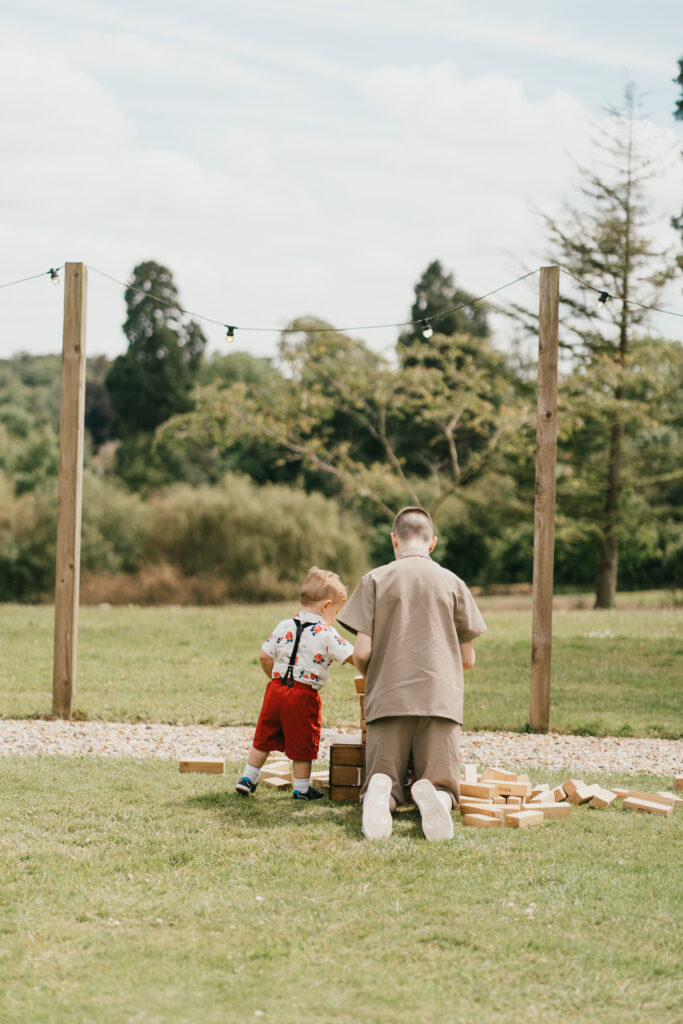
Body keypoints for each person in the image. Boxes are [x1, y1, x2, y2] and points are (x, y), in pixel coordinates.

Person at [337, 506, 486, 841]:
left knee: (385, 779)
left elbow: (361, 652)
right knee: (443, 782)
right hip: (440, 699)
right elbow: (468, 659)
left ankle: (382, 797)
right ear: (432, 543)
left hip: (389, 697)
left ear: (394, 540)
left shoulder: (374, 579)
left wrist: (374, 675)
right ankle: (438, 797)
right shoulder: (453, 582)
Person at [236, 567, 355, 801]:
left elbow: (263, 655)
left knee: (264, 736)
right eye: (336, 612)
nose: (335, 618)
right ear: (326, 605)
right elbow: (354, 656)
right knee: (302, 741)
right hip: (302, 695)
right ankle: (301, 789)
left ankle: (248, 778)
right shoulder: (326, 633)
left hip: (276, 689)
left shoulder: (284, 625)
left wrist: (275, 678)